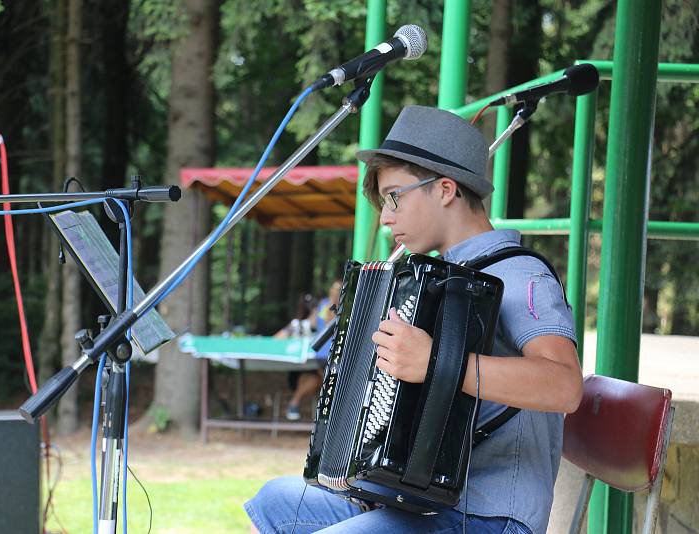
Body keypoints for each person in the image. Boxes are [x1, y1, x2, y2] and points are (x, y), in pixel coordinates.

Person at [245, 105, 583, 534]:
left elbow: (565, 386)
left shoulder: (518, 274)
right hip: (424, 506)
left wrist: (436, 362)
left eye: (395, 197)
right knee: (275, 501)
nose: (386, 218)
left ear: (444, 189)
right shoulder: (436, 280)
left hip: (487, 516)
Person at [284, 279, 342, 421]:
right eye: (333, 290)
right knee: (315, 378)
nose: (334, 293)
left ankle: (295, 403)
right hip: (319, 352)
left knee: (317, 379)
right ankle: (297, 404)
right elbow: (315, 323)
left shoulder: (346, 307)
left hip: (335, 353)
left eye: (338, 290)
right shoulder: (323, 305)